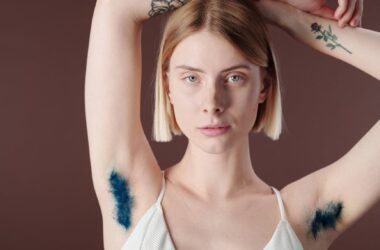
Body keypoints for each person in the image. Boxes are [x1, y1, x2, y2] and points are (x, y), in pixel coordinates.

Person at [84, 0, 379, 249]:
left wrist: (292, 19)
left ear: (263, 84)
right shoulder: (130, 196)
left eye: (234, 77)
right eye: (191, 78)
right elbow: (115, 5)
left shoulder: (306, 217)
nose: (212, 102)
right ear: (168, 84)